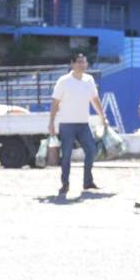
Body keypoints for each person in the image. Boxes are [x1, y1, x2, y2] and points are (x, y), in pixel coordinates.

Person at [48, 53, 107, 195]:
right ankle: (65, 184)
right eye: (79, 62)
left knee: (91, 151)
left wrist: (102, 116)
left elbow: (95, 99)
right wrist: (51, 122)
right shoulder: (64, 81)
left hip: (83, 123)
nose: (82, 65)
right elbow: (55, 102)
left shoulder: (89, 80)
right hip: (67, 124)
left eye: (84, 62)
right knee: (66, 154)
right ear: (72, 64)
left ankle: (87, 182)